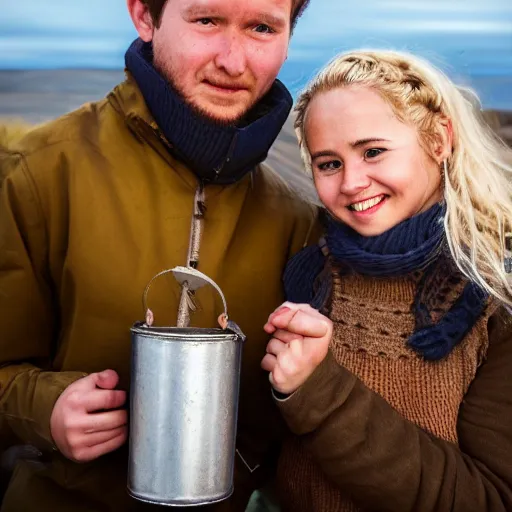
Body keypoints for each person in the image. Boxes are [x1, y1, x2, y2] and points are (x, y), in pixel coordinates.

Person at [0, 0, 317, 510]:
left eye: (262, 27)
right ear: (144, 17)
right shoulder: (37, 173)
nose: (233, 62)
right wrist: (44, 409)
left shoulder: (299, 220)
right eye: (207, 20)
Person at [261, 50, 512, 511]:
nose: (353, 182)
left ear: (439, 139)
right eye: (328, 163)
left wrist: (317, 392)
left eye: (373, 151)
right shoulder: (309, 271)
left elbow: (490, 499)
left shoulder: (495, 294)